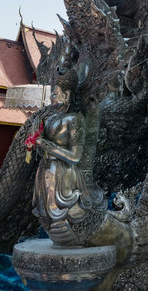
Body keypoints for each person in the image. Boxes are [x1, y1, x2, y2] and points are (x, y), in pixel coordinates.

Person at [31, 65, 104, 246]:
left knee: (63, 215)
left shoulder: (74, 119)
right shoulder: (49, 119)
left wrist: (45, 144)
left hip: (64, 173)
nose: (52, 98)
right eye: (51, 95)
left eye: (55, 94)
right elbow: (41, 148)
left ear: (67, 95)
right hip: (46, 171)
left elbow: (75, 157)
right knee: (47, 214)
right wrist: (36, 142)